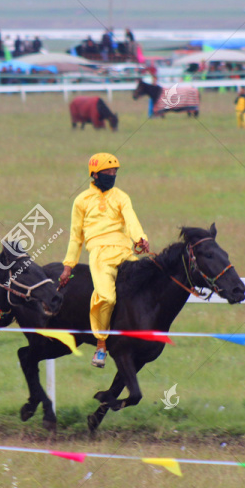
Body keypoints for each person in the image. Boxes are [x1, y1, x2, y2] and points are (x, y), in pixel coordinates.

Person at [58, 154, 149, 368]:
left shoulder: (122, 197)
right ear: (95, 174)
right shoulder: (81, 201)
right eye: (108, 173)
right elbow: (75, 236)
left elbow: (131, 219)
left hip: (125, 251)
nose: (112, 176)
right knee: (106, 298)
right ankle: (101, 345)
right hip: (99, 255)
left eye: (115, 172)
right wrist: (68, 265)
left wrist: (140, 239)